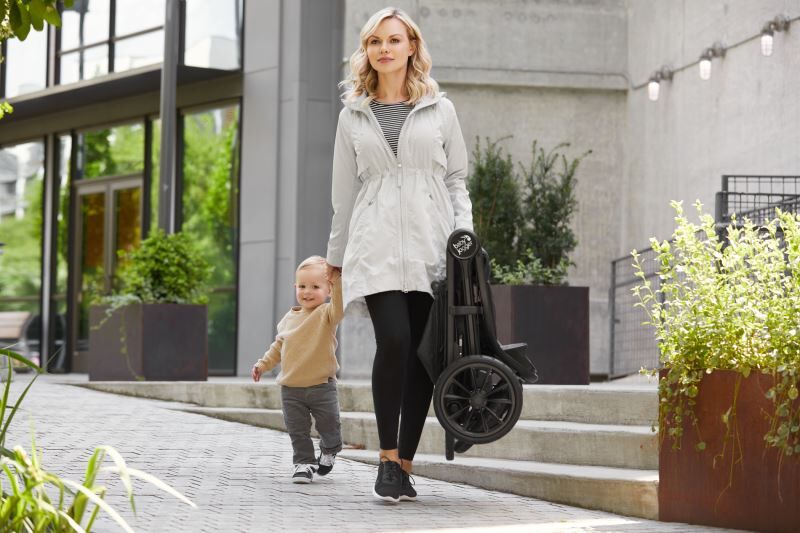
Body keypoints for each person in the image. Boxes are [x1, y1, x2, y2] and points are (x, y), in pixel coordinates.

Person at [325, 7, 473, 503]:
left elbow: (456, 180)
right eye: (375, 41)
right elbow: (344, 194)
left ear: (412, 47)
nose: (384, 49)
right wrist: (335, 257)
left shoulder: (440, 109)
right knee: (394, 340)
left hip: (433, 245)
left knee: (423, 356)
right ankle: (387, 459)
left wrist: (464, 237)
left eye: (393, 40)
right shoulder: (352, 114)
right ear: (366, 51)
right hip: (376, 244)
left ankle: (405, 464)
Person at [252, 256, 344, 484]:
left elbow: (340, 307)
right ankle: (303, 463)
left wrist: (338, 281)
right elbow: (278, 347)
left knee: (329, 425)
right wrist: (263, 364)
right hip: (291, 388)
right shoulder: (288, 319)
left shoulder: (327, 314)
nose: (307, 292)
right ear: (295, 287)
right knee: (297, 430)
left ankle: (330, 449)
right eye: (302, 286)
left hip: (322, 386)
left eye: (315, 287)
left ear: (328, 290)